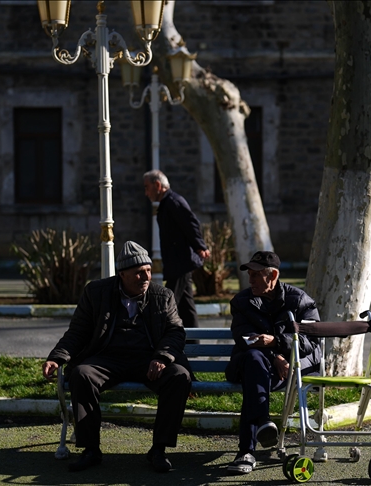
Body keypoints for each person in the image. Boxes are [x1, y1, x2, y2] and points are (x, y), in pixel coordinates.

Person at [42, 241, 192, 474]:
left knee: (179, 376)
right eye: (139, 273)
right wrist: (58, 357)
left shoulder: (163, 295)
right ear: (122, 274)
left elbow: (175, 331)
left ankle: (159, 450)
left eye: (149, 271)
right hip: (107, 358)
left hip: (148, 359)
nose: (145, 277)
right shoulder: (96, 292)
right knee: (82, 374)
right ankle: (90, 450)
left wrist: (162, 357)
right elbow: (78, 332)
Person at [224, 251, 322, 474]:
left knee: (253, 377)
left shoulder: (300, 301)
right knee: (252, 360)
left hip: (285, 372)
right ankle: (263, 421)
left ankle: (246, 453)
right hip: (256, 365)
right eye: (249, 275)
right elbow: (244, 339)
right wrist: (275, 355)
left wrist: (276, 342)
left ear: (273, 275)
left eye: (256, 275)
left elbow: (311, 342)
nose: (250, 281)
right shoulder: (242, 302)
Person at [143, 170, 210, 330]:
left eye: (147, 187)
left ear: (157, 185)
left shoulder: (174, 202)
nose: (146, 193)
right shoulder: (167, 203)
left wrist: (200, 246)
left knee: (167, 300)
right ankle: (194, 343)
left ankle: (155, 335)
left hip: (181, 262)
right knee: (186, 306)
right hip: (177, 262)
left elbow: (191, 223)